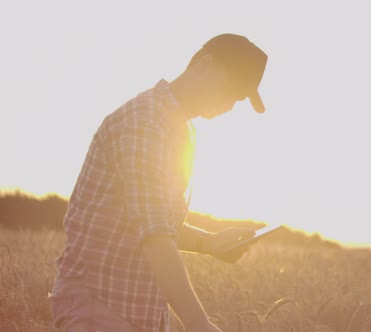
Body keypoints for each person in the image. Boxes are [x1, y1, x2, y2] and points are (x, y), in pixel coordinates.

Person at [50, 33, 269, 332]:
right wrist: (198, 322)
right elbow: (154, 233)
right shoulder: (145, 123)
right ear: (205, 64)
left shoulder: (178, 126)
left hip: (135, 308)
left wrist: (208, 243)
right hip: (101, 304)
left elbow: (149, 223)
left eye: (239, 97)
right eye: (232, 89)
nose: (231, 104)